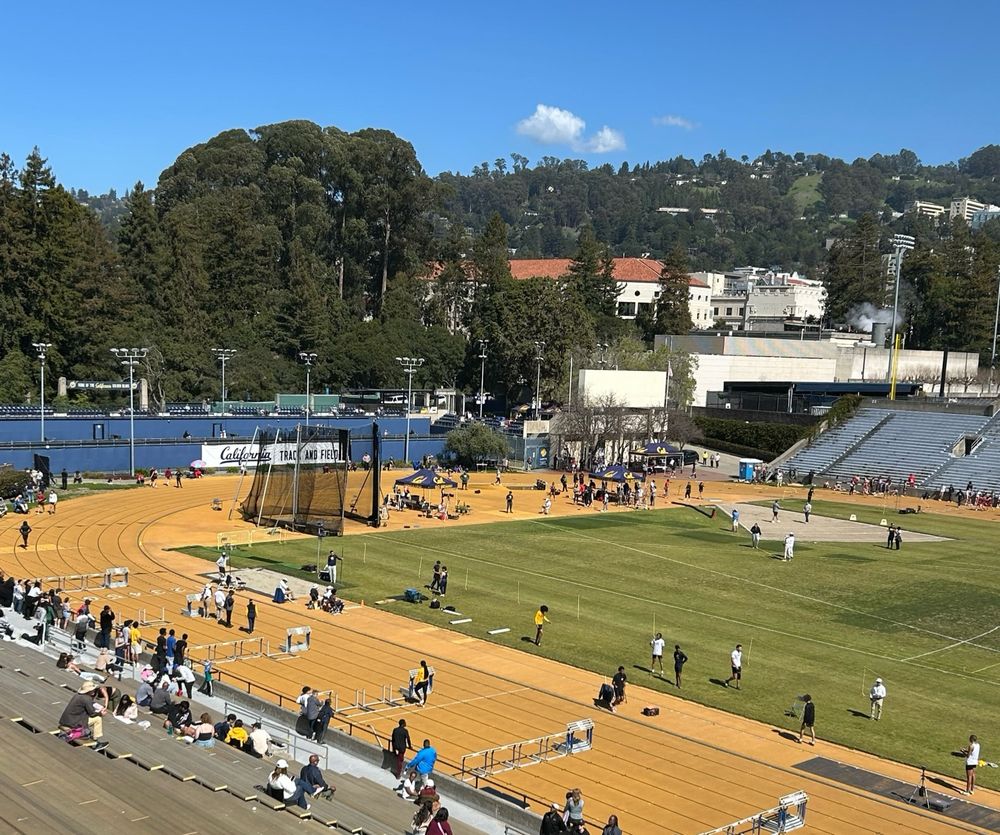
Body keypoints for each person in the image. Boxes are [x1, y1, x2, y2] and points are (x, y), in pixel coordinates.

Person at [58, 681, 109, 752]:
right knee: (98, 719)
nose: (94, 690)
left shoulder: (77, 696)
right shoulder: (86, 699)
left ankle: (93, 739)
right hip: (74, 723)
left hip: (65, 721)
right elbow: (92, 713)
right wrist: (101, 713)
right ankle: (96, 742)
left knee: (91, 722)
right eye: (93, 689)